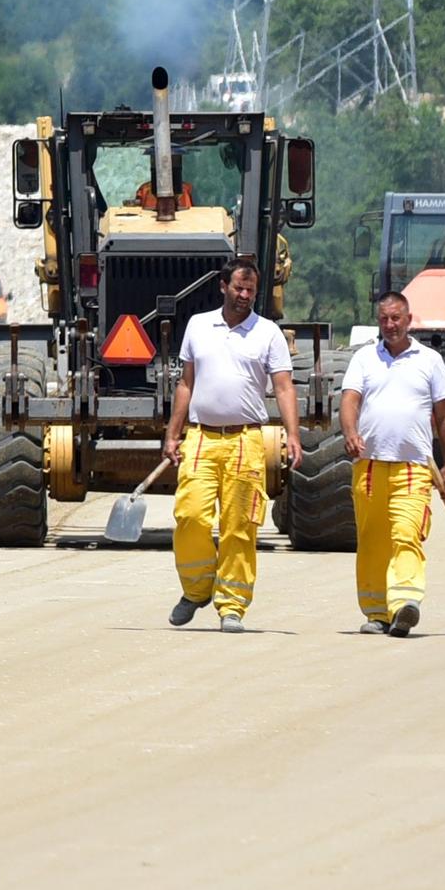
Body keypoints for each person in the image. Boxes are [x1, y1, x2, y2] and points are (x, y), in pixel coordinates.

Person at [159, 256, 302, 631]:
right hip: (201, 438)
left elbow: (284, 387)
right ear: (223, 286)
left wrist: (293, 435)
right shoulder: (198, 326)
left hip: (245, 441)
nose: (244, 295)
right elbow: (186, 384)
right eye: (238, 288)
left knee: (240, 525)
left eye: (251, 290)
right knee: (189, 516)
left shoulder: (268, 332)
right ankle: (196, 589)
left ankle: (232, 605)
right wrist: (173, 433)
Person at [341, 286, 445, 637]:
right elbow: (350, 400)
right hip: (370, 466)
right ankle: (377, 612)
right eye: (384, 320)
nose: (390, 325)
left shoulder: (429, 360)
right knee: (372, 538)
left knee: (407, 534)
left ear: (409, 320)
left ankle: (406, 603)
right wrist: (350, 432)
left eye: (396, 318)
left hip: (414, 468)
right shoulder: (364, 358)